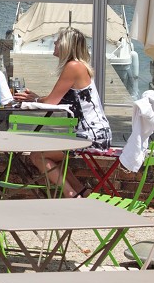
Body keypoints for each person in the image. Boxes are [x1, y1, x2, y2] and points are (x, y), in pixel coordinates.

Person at [15, 26, 112, 197]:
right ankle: (81, 192)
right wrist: (37, 98)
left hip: (91, 136)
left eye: (58, 40)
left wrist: (35, 100)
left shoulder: (73, 66)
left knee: (38, 156)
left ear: (67, 45)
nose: (55, 42)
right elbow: (57, 98)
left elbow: (52, 101)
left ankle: (70, 195)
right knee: (50, 157)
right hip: (97, 133)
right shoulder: (78, 66)